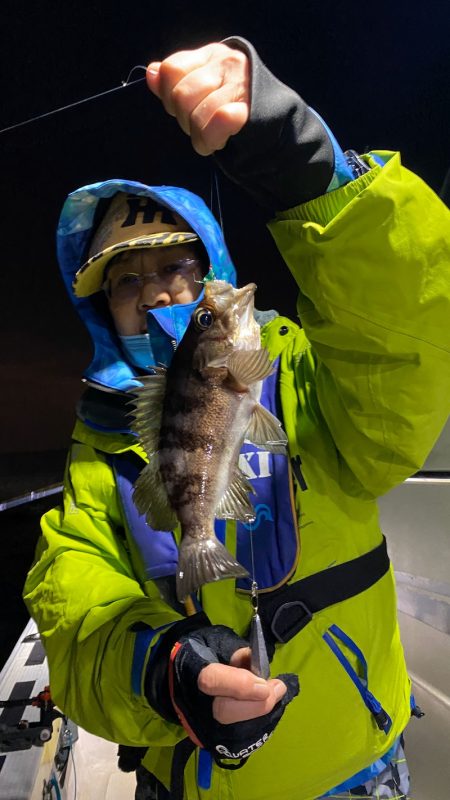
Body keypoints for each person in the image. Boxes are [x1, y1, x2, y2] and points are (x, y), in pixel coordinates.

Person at [23, 38, 450, 800]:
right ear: (101, 309)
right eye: (125, 283)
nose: (153, 294)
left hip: (350, 765)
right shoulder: (98, 444)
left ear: (212, 269)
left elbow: (404, 342)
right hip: (188, 773)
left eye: (174, 268)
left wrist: (311, 175)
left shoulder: (305, 374)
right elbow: (73, 599)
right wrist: (163, 671)